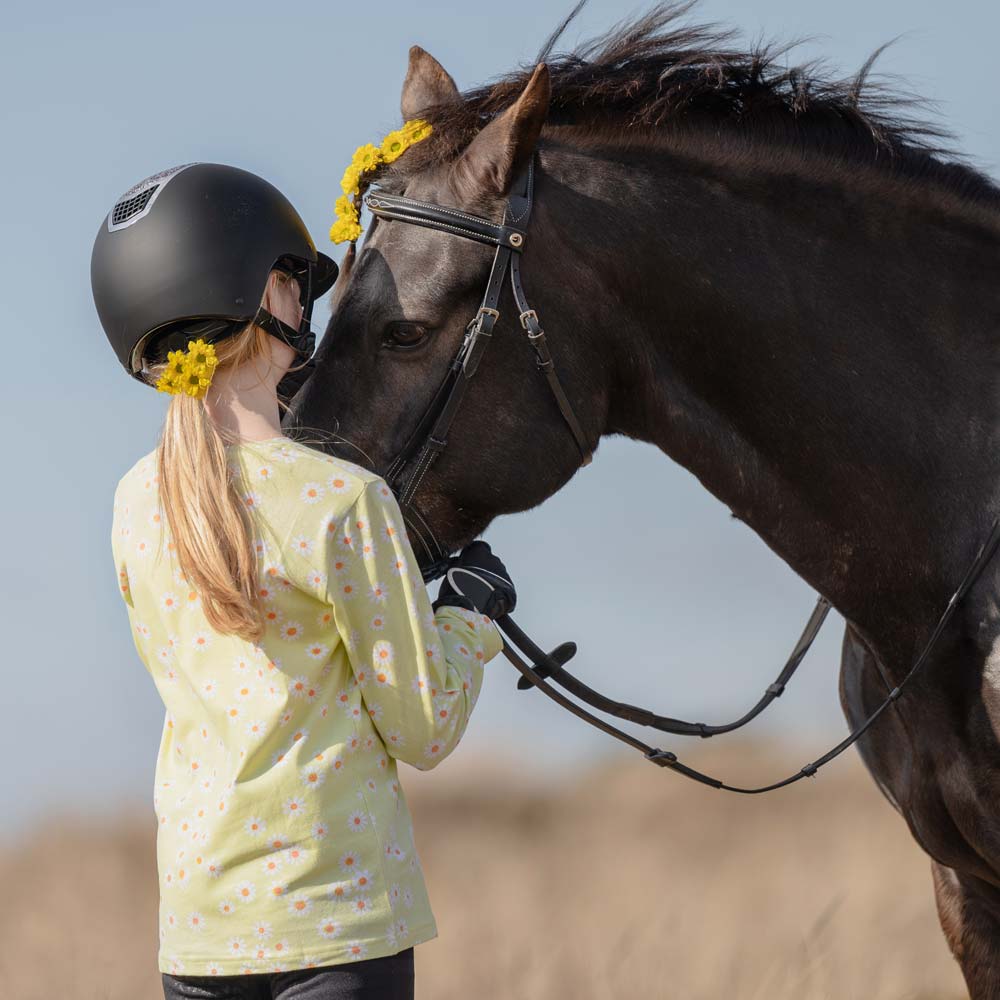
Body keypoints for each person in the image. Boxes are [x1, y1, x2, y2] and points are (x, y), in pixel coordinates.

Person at [91, 162, 517, 1000]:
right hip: (336, 918)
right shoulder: (343, 499)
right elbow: (424, 728)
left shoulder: (136, 503)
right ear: (263, 297)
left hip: (200, 929)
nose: (304, 302)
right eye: (293, 283)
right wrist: (468, 616)